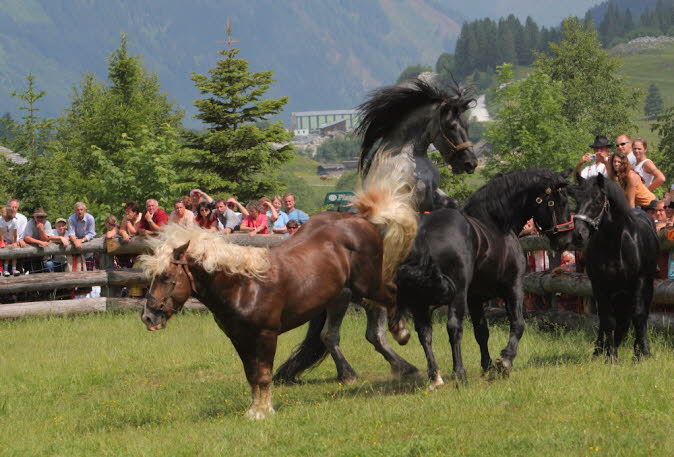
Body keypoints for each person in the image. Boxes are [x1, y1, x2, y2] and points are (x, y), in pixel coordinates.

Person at [68, 202, 97, 271]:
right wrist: (76, 241)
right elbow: (71, 233)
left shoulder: (90, 218)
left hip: (87, 243)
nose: (79, 211)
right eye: (78, 210)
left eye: (81, 209)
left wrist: (81, 240)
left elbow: (91, 233)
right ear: (75, 211)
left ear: (85, 210)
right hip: (75, 245)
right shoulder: (71, 218)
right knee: (76, 271)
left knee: (89, 270)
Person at [0, 205, 20, 276]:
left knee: (14, 253)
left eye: (3, 212)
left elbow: (15, 234)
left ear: (8, 212)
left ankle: (14, 269)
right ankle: (5, 270)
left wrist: (14, 242)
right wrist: (2, 242)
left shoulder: (14, 221)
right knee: (7, 252)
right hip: (5, 238)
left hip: (13, 238)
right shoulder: (1, 219)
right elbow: (1, 233)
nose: (1, 213)